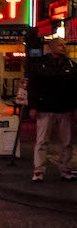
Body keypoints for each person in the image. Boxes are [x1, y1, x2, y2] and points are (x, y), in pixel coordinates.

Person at [27, 37, 76, 181]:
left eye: (64, 45)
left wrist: (74, 107)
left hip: (64, 109)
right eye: (60, 45)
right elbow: (33, 87)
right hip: (45, 108)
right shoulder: (40, 65)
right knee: (42, 141)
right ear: (52, 47)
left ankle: (64, 167)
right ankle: (39, 170)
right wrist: (33, 106)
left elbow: (75, 89)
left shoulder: (72, 66)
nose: (63, 47)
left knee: (67, 141)